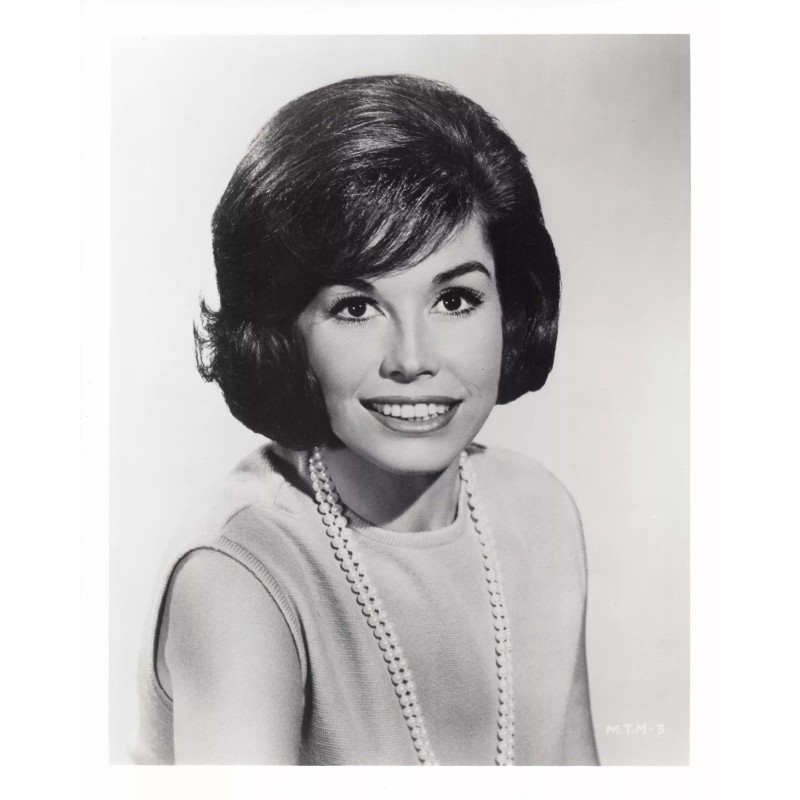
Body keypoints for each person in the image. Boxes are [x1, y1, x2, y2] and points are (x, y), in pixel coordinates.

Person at [131, 74, 599, 766]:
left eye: (455, 300)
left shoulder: (540, 514)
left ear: (511, 306)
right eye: (356, 308)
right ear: (284, 333)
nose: (412, 359)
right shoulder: (237, 574)